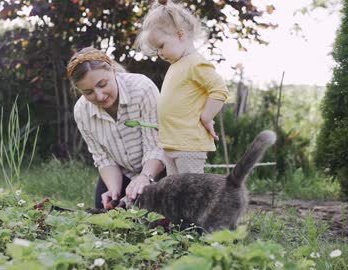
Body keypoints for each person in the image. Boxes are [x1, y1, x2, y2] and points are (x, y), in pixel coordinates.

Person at [136, 0, 229, 175]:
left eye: (161, 46)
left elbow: (219, 89)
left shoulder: (195, 63)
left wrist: (207, 116)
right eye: (157, 50)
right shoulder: (177, 65)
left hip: (189, 145)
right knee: (176, 192)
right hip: (172, 143)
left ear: (180, 35)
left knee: (190, 192)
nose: (160, 53)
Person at [67, 47, 165, 209]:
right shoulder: (81, 111)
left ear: (113, 70)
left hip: (159, 169)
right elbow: (103, 158)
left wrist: (144, 178)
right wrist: (114, 191)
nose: (99, 96)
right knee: (105, 208)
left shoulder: (142, 89)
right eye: (88, 92)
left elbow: (157, 145)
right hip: (123, 173)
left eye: (102, 84)